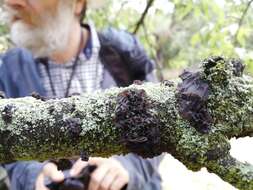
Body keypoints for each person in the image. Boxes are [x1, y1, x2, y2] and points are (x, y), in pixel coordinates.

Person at [0, 0, 164, 190]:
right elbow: (8, 151)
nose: (12, 2)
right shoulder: (8, 70)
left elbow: (161, 127)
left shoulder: (125, 52)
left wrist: (128, 168)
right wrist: (32, 177)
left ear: (77, 3)